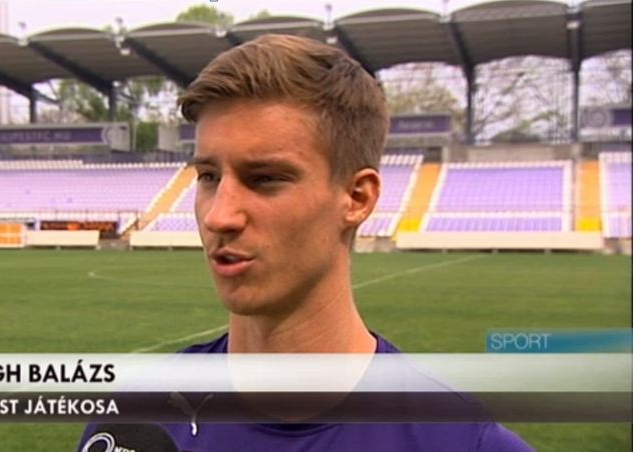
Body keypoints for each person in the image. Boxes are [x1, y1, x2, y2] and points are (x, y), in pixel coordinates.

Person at [80, 33, 532, 451]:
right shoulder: (131, 420)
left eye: (265, 179)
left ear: (357, 198)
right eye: (209, 176)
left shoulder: (461, 442)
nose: (219, 216)